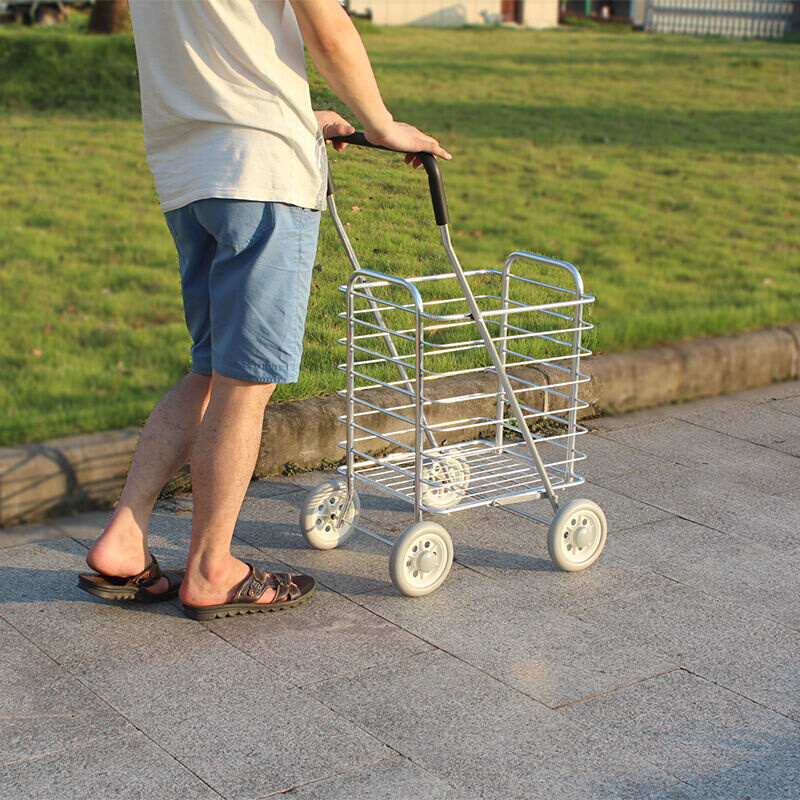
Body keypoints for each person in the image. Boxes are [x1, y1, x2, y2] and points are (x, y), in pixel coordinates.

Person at [77, 0, 451, 619]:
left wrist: (295, 112)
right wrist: (381, 123)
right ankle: (210, 570)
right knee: (245, 380)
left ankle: (124, 537)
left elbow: (211, 46)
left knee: (210, 368)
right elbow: (327, 27)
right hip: (261, 171)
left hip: (186, 171)